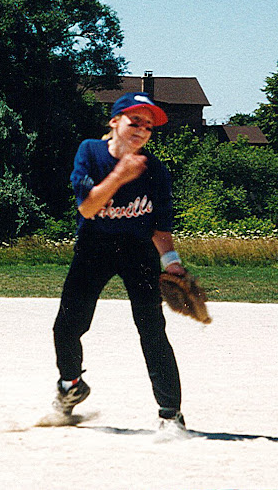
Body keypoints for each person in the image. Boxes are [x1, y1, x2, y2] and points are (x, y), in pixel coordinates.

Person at [52, 92, 186, 430]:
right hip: (94, 247)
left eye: (148, 126)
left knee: (152, 329)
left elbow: (160, 228)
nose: (142, 129)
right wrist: (120, 175)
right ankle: (71, 385)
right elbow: (87, 208)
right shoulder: (90, 152)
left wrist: (172, 263)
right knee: (67, 326)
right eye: (134, 121)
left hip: (137, 250)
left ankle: (171, 414)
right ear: (114, 121)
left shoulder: (155, 170)